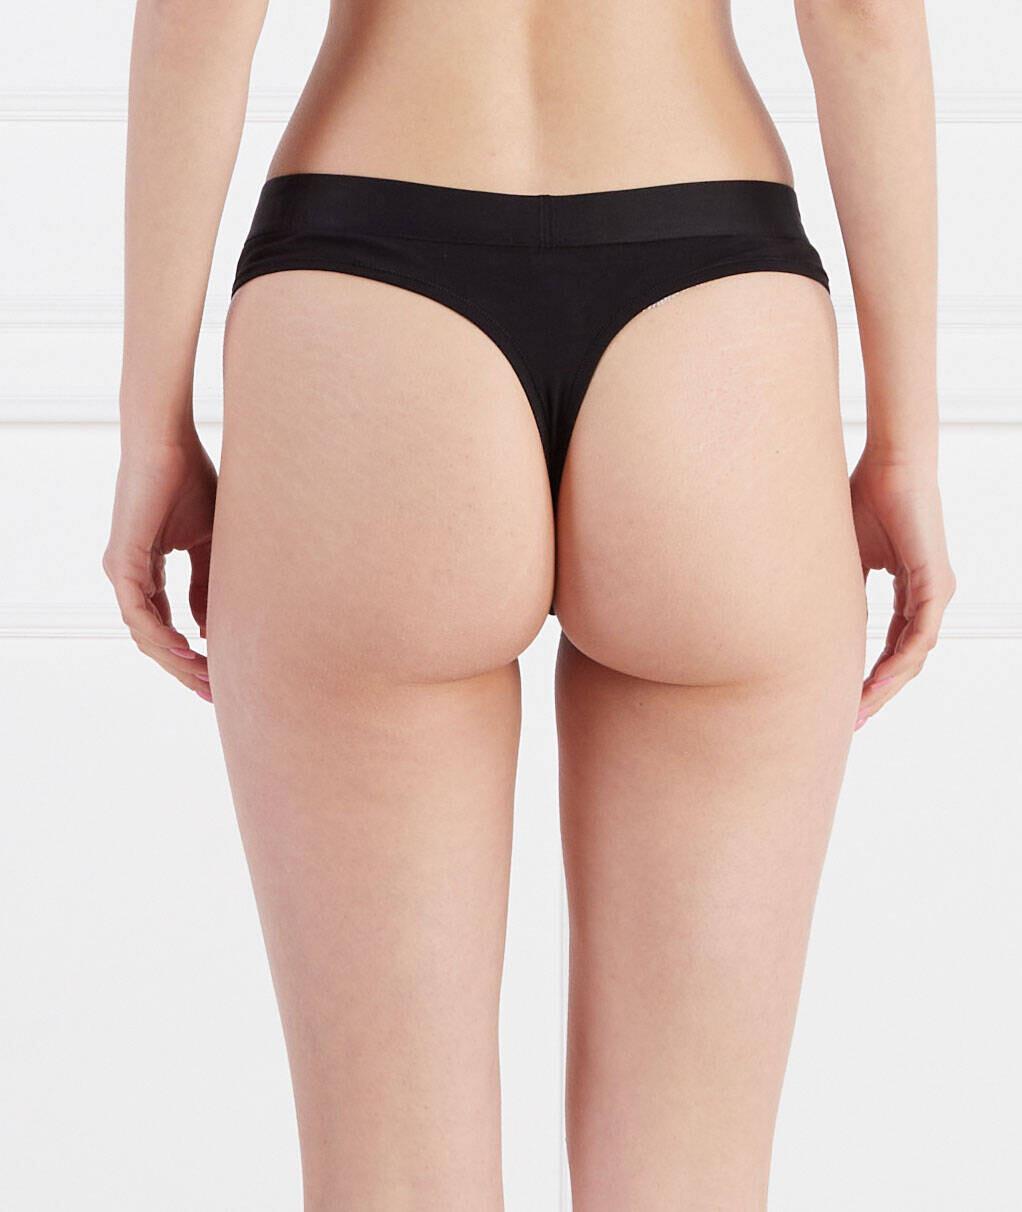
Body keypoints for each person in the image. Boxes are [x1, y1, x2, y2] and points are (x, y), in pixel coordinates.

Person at [102, 0, 956, 1207]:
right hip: (710, 307)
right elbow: (863, 18)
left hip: (369, 294)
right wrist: (904, 446)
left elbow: (199, 19)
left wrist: (152, 428)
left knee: (390, 1179)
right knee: (689, 1182)